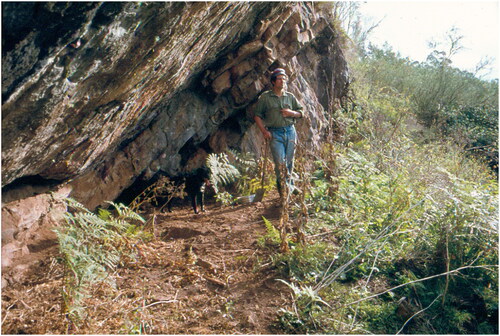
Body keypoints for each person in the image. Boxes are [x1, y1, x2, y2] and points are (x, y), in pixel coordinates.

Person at [253, 68, 304, 198]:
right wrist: (264, 131)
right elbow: (257, 116)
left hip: (290, 131)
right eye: (279, 79)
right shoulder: (265, 98)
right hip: (275, 133)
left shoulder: (290, 97)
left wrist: (291, 113)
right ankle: (283, 189)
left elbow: (301, 113)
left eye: (284, 79)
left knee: (289, 161)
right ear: (273, 82)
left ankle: (289, 187)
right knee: (280, 162)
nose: (282, 81)